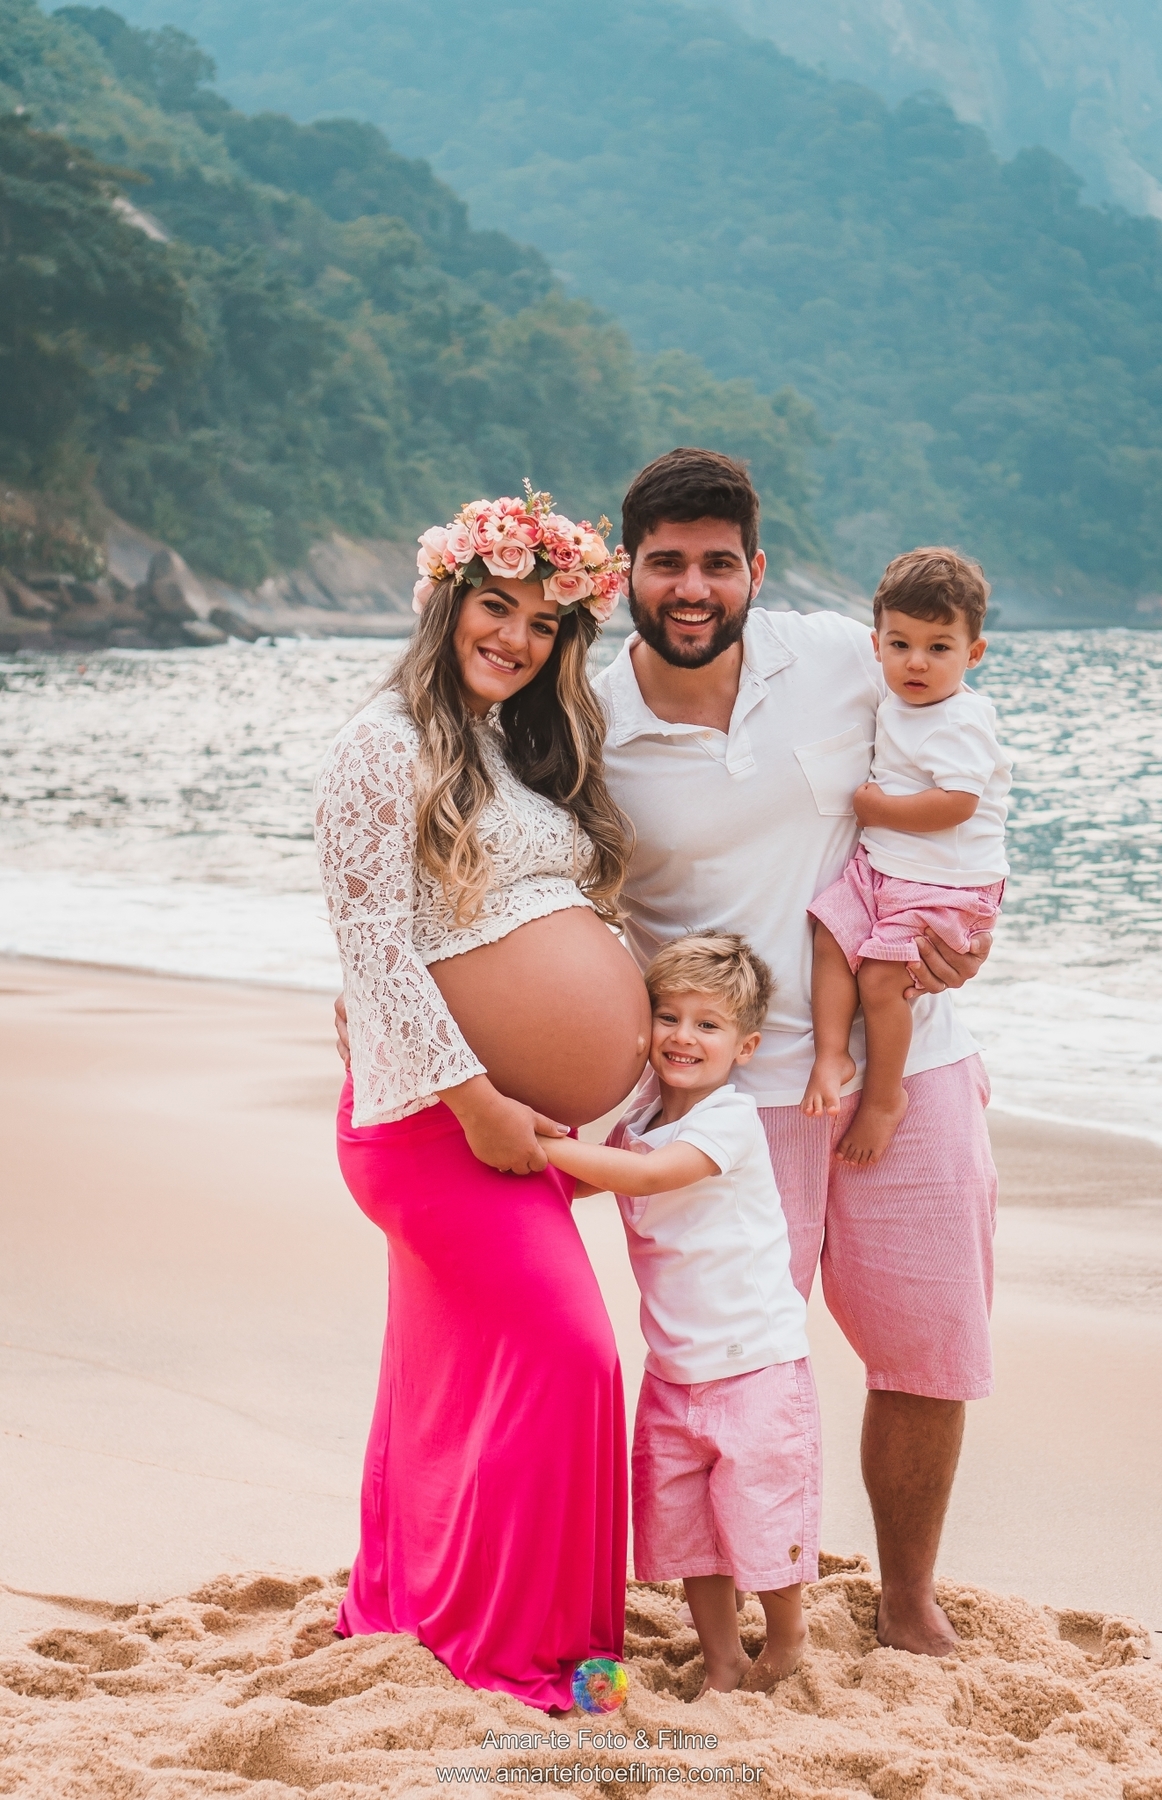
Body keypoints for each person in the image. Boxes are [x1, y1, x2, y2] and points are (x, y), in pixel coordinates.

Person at [593, 448, 998, 1658]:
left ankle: (907, 1591)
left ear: (754, 569)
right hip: (719, 1099)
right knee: (722, 1370)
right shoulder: (586, 720)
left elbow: (961, 758)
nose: (693, 586)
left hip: (906, 1062)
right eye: (666, 563)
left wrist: (969, 921)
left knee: (929, 1344)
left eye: (718, 562)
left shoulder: (837, 658)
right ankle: (735, 1615)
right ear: (630, 573)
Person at [314, 488, 651, 1712]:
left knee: (447, 1377)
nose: (513, 636)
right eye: (493, 607)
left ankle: (407, 1610)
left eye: (542, 622)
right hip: (436, 1123)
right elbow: (373, 943)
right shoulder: (382, 741)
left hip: (507, 1125)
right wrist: (480, 1106)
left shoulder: (521, 748)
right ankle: (531, 1662)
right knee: (570, 1361)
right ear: (448, 603)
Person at [538, 932, 817, 1698]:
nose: (684, 1037)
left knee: (760, 1519)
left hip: (753, 1363)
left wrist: (543, 1147)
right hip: (673, 1370)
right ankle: (722, 1656)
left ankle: (788, 1639)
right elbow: (605, 1175)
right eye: (669, 1016)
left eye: (708, 1024)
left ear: (746, 1045)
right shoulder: (643, 1116)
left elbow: (651, 1173)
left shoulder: (730, 1120)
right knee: (684, 1528)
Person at [803, 549, 1012, 1167]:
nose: (916, 662)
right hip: (887, 869)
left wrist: (877, 810)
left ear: (973, 653)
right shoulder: (895, 697)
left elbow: (957, 804)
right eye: (900, 644)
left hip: (946, 884)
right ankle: (832, 1052)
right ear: (876, 643)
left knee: (882, 976)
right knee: (830, 932)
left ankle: (885, 1096)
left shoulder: (961, 720)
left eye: (939, 648)